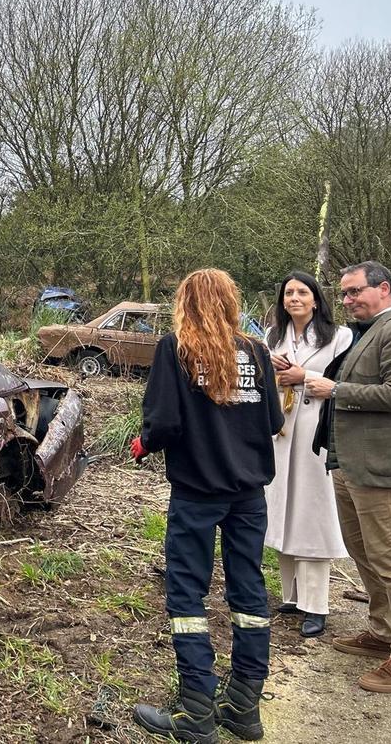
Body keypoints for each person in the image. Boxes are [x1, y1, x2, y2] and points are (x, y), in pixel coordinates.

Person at [131, 269, 283, 743]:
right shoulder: (257, 352)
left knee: (187, 596)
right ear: (230, 301)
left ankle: (195, 713)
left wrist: (144, 443)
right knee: (249, 595)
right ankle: (243, 706)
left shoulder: (176, 349)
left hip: (197, 494)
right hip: (249, 496)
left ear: (186, 303)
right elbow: (274, 419)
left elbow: (165, 424)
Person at [304, 260, 391, 694]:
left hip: (383, 465)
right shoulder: (369, 331)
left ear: (383, 288)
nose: (347, 300)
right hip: (350, 462)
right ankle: (382, 633)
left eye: (355, 292)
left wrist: (334, 390)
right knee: (367, 552)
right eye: (343, 293)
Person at [265, 271, 352, 637]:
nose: (294, 298)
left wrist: (302, 375)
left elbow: (343, 380)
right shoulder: (272, 336)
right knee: (284, 509)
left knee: (312, 512)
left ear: (316, 299)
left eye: (302, 292)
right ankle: (292, 596)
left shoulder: (339, 337)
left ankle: (317, 605)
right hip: (283, 432)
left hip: (316, 431)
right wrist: (275, 373)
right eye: (288, 293)